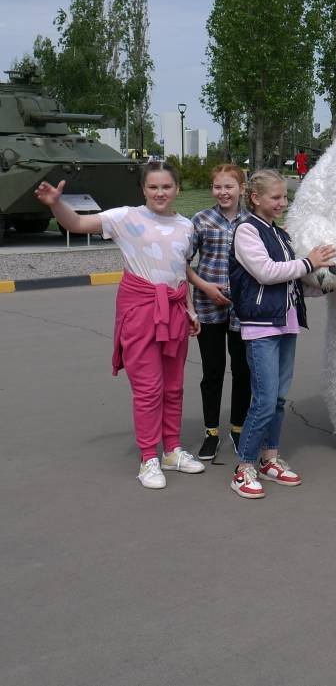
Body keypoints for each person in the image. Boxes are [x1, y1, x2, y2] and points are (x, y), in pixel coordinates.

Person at [34, 162, 205, 489]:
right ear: (143, 189)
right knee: (149, 389)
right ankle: (149, 457)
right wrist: (56, 204)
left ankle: (171, 450)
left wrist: (191, 310)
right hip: (140, 312)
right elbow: (77, 223)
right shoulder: (126, 217)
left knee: (173, 387)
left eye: (166, 187)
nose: (159, 193)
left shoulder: (186, 226)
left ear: (177, 189)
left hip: (174, 313)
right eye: (153, 187)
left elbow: (179, 271)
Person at [227, 169, 336, 499]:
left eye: (285, 197)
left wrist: (329, 284)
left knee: (277, 399)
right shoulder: (247, 230)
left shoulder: (279, 233)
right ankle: (244, 467)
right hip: (261, 327)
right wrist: (309, 262)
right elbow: (266, 273)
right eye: (276, 197)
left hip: (286, 322)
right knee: (264, 401)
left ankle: (269, 459)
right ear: (255, 198)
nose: (283, 202)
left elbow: (292, 281)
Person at [187, 164, 252, 461]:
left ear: (241, 188)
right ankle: (211, 432)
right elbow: (183, 262)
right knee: (212, 372)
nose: (223, 192)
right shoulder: (201, 220)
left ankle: (238, 429)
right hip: (208, 305)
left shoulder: (251, 221)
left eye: (229, 186)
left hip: (243, 308)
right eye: (217, 187)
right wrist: (205, 287)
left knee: (243, 371)